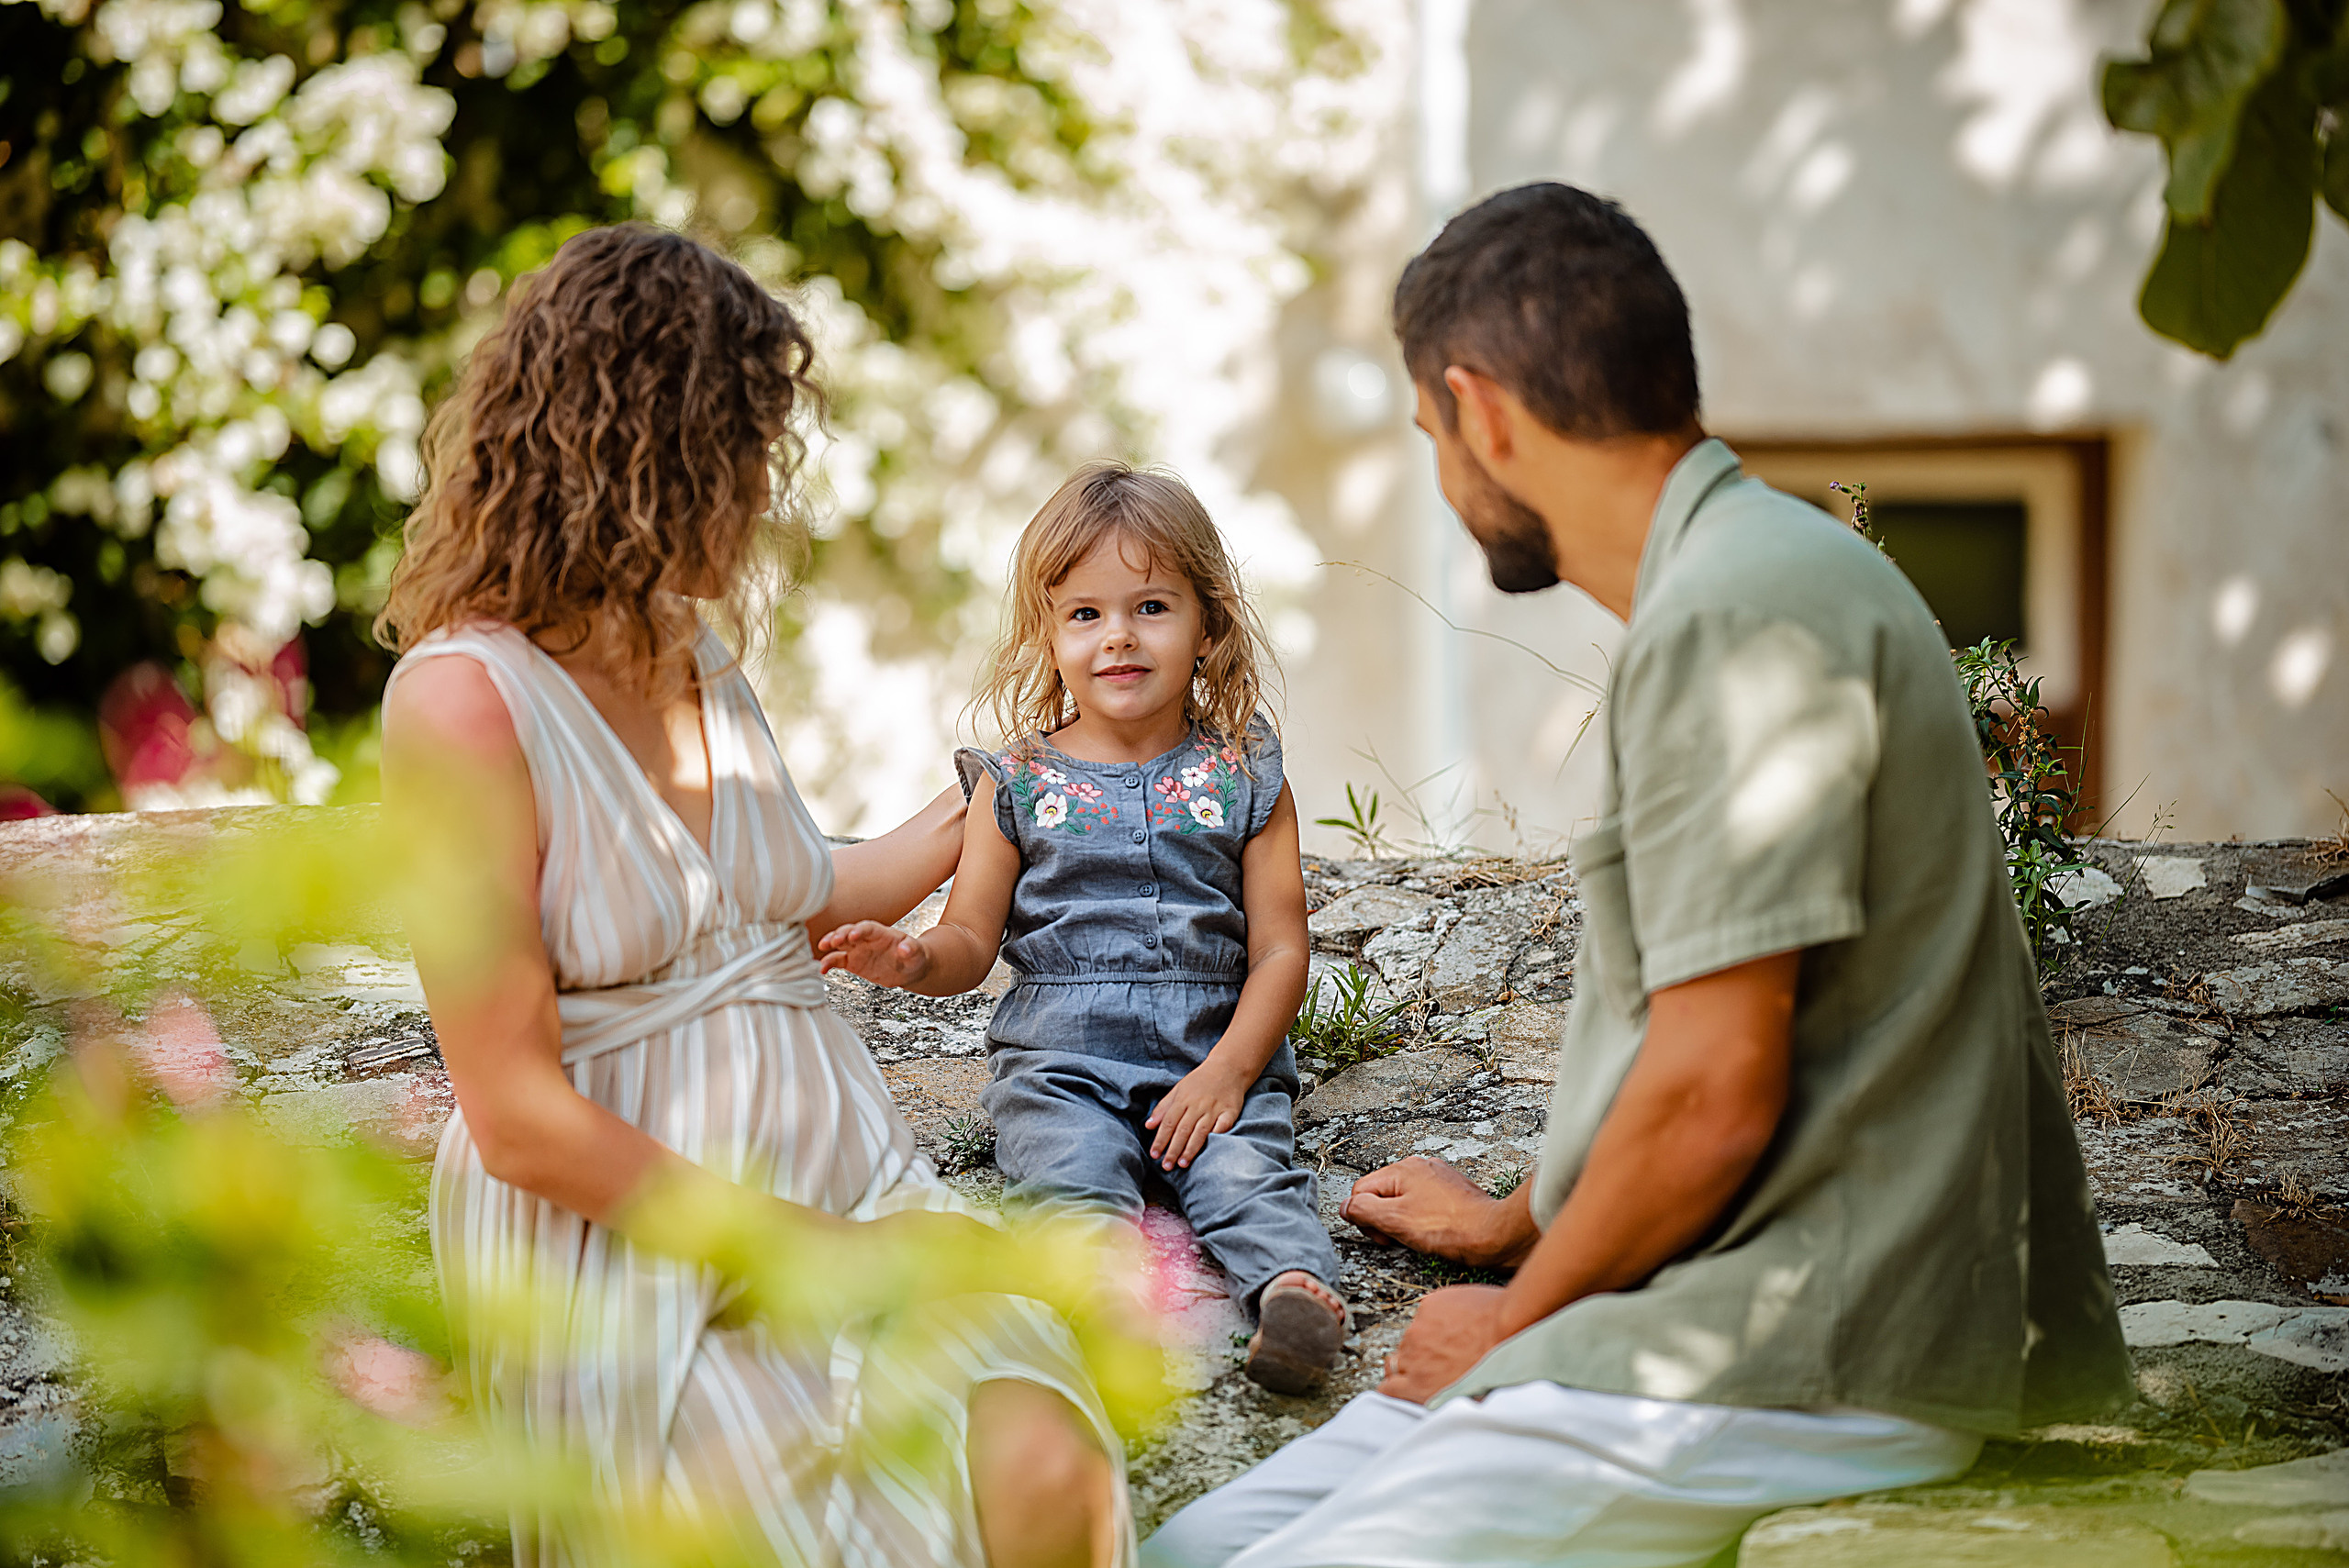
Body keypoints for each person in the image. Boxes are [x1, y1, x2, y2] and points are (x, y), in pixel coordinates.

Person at [1143, 183, 2133, 1566]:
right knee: (1182, 1551)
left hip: (1787, 1347)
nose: (1443, 474)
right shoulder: (1755, 580)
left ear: (1484, 414)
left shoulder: (1741, 619)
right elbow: (1704, 1031)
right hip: (1673, 1321)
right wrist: (1516, 1221)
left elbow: (1720, 1084)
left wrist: (1524, 1303)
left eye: (1434, 434)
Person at [376, 224, 1133, 1568]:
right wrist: (800, 1254)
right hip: (639, 1251)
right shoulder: (462, 700)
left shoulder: (692, 647)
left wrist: (996, 794)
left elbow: (779, 895)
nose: (764, 492)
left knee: (1048, 1467)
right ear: (648, 452)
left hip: (848, 1175)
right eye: (745, 452)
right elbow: (515, 1115)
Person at [818, 463, 1348, 1395]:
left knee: (1246, 1170)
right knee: (1063, 1172)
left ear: (1208, 621)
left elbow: (1279, 946)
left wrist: (1228, 1072)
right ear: (1049, 633)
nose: (1119, 638)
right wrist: (910, 957)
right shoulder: (1015, 781)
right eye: (1085, 614)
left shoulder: (1244, 771)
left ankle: (1293, 1292)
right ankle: (1106, 1305)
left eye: (1150, 606)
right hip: (1061, 1055)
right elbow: (969, 938)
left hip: (1208, 1046)